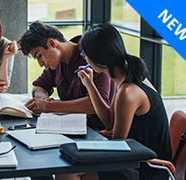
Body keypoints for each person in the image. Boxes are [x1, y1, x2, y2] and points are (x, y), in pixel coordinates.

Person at [58, 23, 172, 180]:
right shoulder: (125, 79)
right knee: (67, 168)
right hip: (137, 159)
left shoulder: (128, 91)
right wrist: (90, 86)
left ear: (97, 58)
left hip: (146, 169)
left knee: (66, 172)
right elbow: (110, 122)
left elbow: (118, 144)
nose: (84, 58)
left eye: (85, 54)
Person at [18, 21, 112, 130]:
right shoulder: (57, 62)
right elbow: (39, 86)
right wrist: (43, 99)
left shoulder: (91, 54)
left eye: (39, 56)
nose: (40, 64)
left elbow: (95, 104)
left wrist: (50, 107)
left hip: (98, 131)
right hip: (70, 127)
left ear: (52, 43)